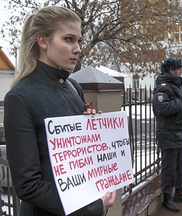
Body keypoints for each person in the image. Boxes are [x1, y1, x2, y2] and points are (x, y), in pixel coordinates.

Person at [4, 6, 115, 216]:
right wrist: (91, 209)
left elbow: (82, 160)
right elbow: (29, 186)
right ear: (43, 41)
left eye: (79, 41)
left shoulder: (74, 87)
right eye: (69, 39)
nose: (78, 48)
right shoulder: (20, 98)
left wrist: (94, 133)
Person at [152, 57, 182, 212]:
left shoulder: (177, 85)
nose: (180, 71)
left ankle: (179, 192)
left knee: (181, 166)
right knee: (169, 167)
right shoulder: (163, 87)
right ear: (172, 70)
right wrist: (179, 104)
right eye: (178, 69)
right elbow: (160, 109)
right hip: (168, 133)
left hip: (178, 132)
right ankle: (167, 197)